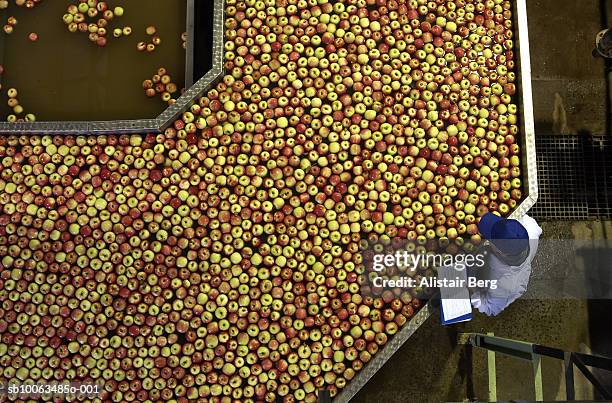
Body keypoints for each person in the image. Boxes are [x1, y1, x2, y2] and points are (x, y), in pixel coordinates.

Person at [469, 212, 542, 316]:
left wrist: (473, 289)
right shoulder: (529, 227)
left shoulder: (506, 287)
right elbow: (535, 227)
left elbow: (489, 308)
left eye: (490, 238)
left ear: (500, 252)